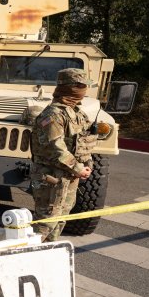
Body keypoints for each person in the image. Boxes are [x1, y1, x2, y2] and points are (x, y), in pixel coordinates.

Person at [30, 67, 98, 242]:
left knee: (60, 220)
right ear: (71, 87)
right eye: (81, 86)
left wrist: (87, 164)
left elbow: (83, 142)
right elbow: (56, 148)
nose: (84, 91)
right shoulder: (53, 115)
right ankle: (26, 258)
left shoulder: (76, 113)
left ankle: (46, 257)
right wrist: (77, 168)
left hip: (69, 177)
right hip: (51, 177)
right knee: (45, 223)